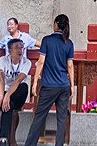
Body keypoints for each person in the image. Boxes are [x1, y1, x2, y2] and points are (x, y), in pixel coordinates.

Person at [24, 15, 73, 146]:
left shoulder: (47, 40)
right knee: (61, 119)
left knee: (39, 117)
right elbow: (70, 66)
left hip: (49, 86)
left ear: (56, 24)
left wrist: (34, 83)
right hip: (63, 86)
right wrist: (72, 86)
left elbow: (40, 62)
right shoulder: (69, 43)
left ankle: (30, 144)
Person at [0, 39, 31, 146]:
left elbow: (18, 80)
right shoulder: (3, 60)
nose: (20, 50)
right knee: (9, 105)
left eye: (22, 47)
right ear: (9, 50)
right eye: (17, 47)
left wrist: (6, 96)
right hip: (3, 91)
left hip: (18, 92)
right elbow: (1, 79)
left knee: (24, 86)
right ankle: (6, 139)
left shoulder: (26, 62)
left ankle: (3, 139)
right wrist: (1, 97)